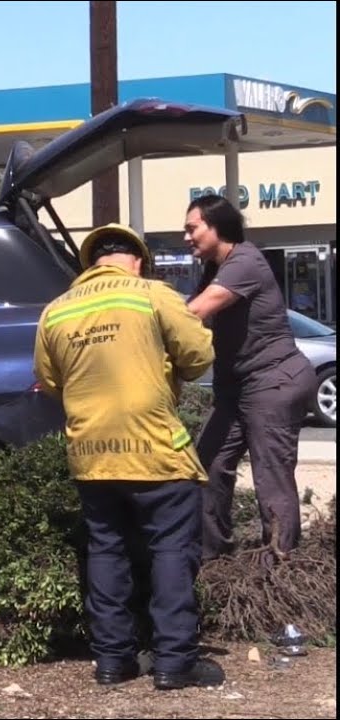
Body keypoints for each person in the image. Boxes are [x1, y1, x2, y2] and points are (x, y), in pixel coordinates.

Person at [33, 223, 223, 690]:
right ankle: (175, 662)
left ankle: (113, 662)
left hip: (91, 453)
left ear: (92, 263)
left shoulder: (54, 312)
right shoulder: (151, 295)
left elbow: (49, 381)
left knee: (106, 550)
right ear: (136, 259)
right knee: (171, 550)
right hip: (154, 448)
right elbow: (199, 355)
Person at [182, 194, 316, 562]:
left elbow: (196, 311)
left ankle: (282, 565)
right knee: (206, 465)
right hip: (236, 389)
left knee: (270, 478)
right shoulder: (215, 269)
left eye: (192, 228)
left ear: (217, 226)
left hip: (272, 382)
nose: (186, 237)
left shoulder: (244, 261)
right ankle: (215, 560)